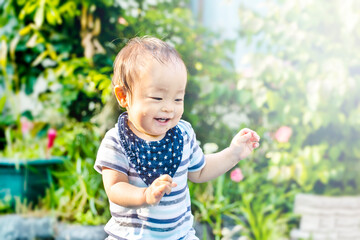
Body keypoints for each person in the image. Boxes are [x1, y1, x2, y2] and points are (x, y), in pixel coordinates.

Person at [94, 36, 260, 240]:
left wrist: (233, 153)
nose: (168, 107)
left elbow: (200, 171)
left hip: (179, 236)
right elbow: (115, 187)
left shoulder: (182, 133)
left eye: (177, 98)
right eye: (157, 97)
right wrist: (145, 195)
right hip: (132, 236)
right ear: (123, 96)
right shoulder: (117, 141)